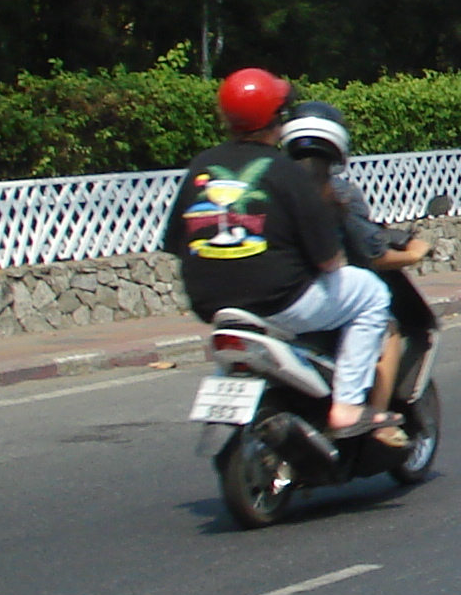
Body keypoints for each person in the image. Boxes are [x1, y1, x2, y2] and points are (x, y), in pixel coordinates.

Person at [166, 67, 391, 436]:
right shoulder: (286, 172)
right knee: (370, 294)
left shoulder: (200, 167)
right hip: (280, 302)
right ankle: (348, 406)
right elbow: (328, 259)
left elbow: (177, 244)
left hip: (210, 305)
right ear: (277, 120)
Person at [280, 100, 433, 436]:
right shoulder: (340, 194)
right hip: (309, 296)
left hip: (265, 296)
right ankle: (373, 420)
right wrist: (415, 253)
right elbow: (373, 254)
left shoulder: (271, 186)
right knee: (385, 321)